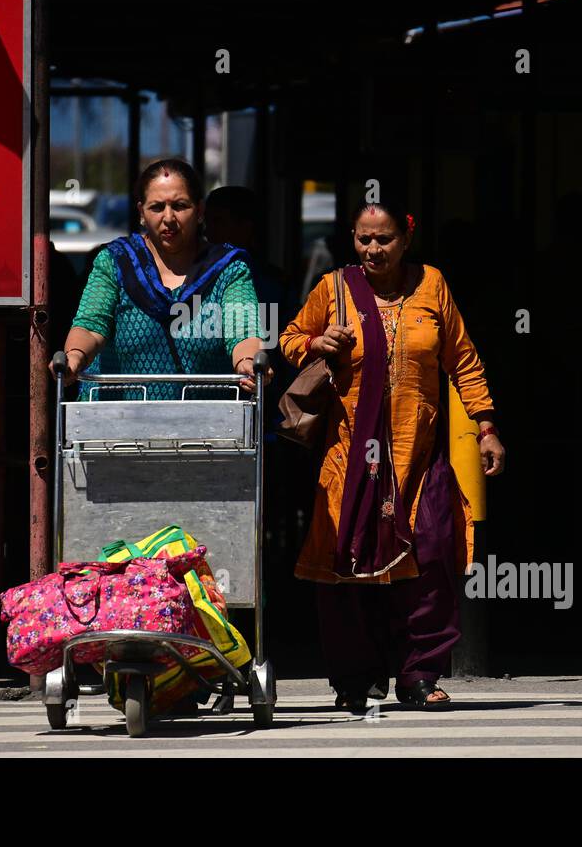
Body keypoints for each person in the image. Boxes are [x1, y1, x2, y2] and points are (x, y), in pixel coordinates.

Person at [279, 201, 506, 711]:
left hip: (418, 456)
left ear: (406, 239)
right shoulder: (333, 288)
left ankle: (418, 674)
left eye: (383, 239)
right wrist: (319, 340)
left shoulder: (433, 286)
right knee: (346, 565)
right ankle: (355, 679)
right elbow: (290, 340)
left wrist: (486, 426)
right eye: (363, 239)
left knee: (430, 557)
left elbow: (463, 360)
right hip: (349, 457)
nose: (372, 249)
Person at [59, 158, 271, 399]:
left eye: (180, 206)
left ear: (200, 211)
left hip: (206, 429)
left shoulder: (228, 269)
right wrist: (74, 358)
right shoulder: (116, 262)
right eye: (157, 207)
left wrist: (247, 363)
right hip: (114, 428)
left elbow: (244, 329)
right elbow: (90, 324)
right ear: (141, 213)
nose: (169, 218)